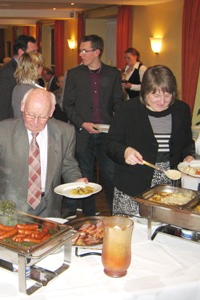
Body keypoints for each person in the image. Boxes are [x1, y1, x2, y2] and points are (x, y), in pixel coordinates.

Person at [0, 88, 87, 217]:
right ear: (22, 106)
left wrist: (76, 180)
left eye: (42, 117)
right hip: (10, 207)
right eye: (30, 115)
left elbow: (68, 164)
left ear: (51, 111)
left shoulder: (65, 132)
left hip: (48, 206)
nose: (35, 122)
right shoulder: (4, 131)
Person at [106, 65, 195, 216]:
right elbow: (110, 145)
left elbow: (187, 143)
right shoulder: (127, 110)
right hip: (133, 184)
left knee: (163, 232)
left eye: (167, 95)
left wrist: (189, 155)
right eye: (155, 95)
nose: (162, 101)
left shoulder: (182, 110)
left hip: (170, 185)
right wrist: (125, 151)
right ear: (144, 92)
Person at [63, 34, 123, 216]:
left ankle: (116, 214)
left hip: (107, 135)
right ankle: (89, 215)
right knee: (85, 178)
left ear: (97, 52)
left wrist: (118, 123)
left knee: (110, 176)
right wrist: (82, 123)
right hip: (83, 134)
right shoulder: (74, 74)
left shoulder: (113, 74)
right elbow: (67, 105)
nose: (81, 54)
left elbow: (118, 102)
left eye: (85, 51)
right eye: (80, 50)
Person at [0, 34, 37, 122]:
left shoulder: (26, 69)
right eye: (33, 52)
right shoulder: (6, 73)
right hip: (11, 125)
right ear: (21, 52)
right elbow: (1, 107)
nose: (36, 55)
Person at [12, 52, 44, 118]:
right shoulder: (35, 92)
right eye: (41, 65)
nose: (42, 68)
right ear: (35, 68)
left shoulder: (18, 87)